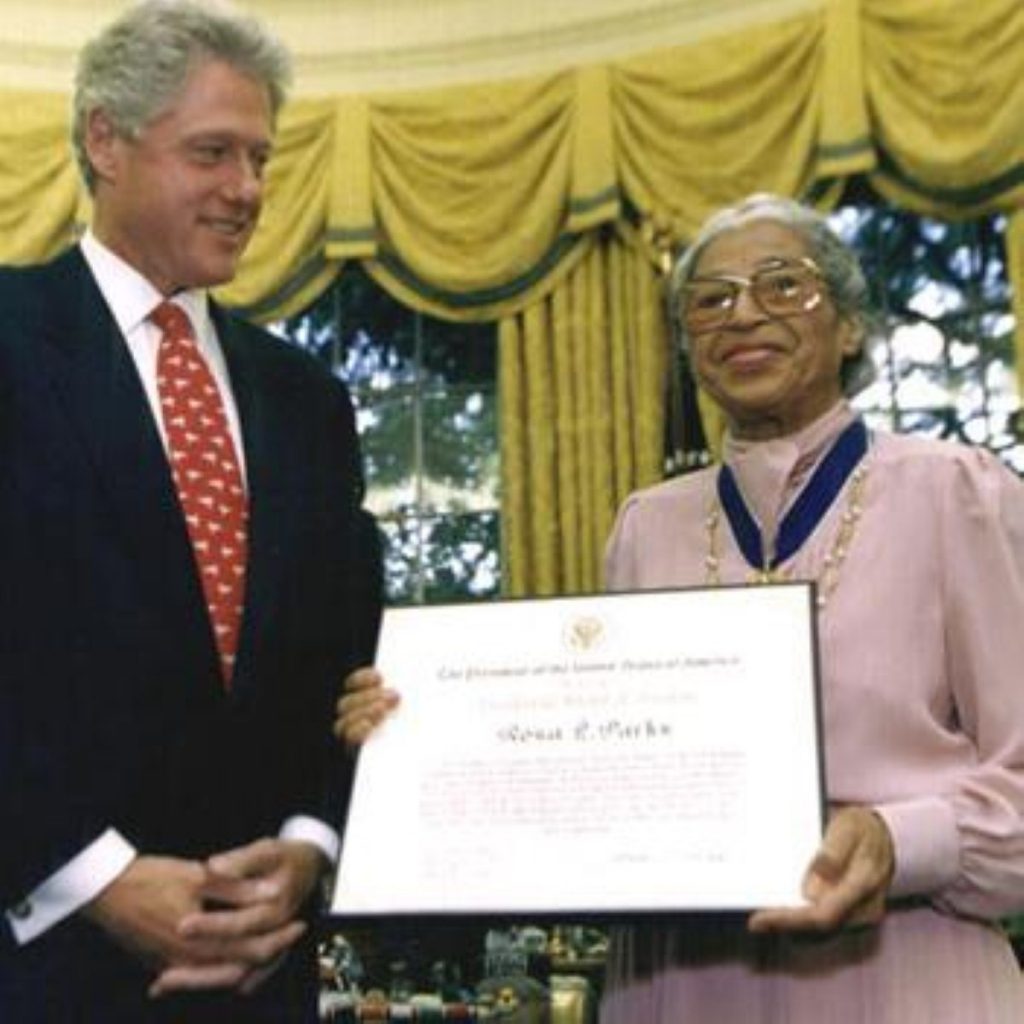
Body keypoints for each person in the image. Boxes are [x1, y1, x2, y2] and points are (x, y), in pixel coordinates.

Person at [336, 194, 1024, 1022]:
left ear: (849, 328)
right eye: (711, 298)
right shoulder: (645, 525)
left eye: (783, 285)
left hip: (901, 969)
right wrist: (416, 735)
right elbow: (597, 759)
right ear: (689, 345)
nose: (744, 313)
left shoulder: (956, 493)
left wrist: (897, 841)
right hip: (679, 982)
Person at [0, 2, 378, 1021]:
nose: (247, 189)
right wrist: (94, 879)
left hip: (265, 967)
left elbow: (347, 660)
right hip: (42, 968)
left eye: (260, 156)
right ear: (104, 140)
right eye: (212, 152)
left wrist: (311, 842)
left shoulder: (307, 399)